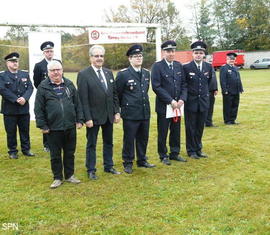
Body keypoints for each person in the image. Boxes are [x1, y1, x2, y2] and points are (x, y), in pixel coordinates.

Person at [34, 60, 84, 189]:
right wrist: (43, 125)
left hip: (69, 126)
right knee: (55, 155)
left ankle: (70, 175)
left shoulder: (69, 84)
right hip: (53, 128)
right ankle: (57, 178)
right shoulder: (42, 87)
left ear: (62, 70)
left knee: (69, 152)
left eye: (58, 69)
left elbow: (77, 103)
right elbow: (38, 109)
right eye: (52, 70)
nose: (56, 72)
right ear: (48, 72)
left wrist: (79, 120)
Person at [77, 45, 121, 180]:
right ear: (90, 58)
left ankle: (109, 166)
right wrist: (87, 118)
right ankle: (91, 169)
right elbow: (82, 99)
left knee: (109, 142)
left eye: (101, 56)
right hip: (93, 117)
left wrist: (116, 112)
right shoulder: (83, 74)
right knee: (92, 144)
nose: (99, 58)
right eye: (96, 56)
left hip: (108, 115)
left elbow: (114, 95)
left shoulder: (108, 72)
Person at [116, 44, 156, 174]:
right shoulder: (123, 74)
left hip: (144, 111)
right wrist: (121, 109)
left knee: (143, 137)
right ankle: (128, 162)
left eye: (140, 56)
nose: (139, 58)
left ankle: (142, 159)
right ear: (130, 59)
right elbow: (118, 94)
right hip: (131, 113)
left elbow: (144, 91)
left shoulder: (146, 73)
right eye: (135, 56)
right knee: (129, 138)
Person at [151, 40, 187, 165]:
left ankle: (175, 153)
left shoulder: (178, 65)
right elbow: (156, 86)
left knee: (176, 130)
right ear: (163, 52)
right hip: (164, 106)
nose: (171, 53)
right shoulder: (157, 66)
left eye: (172, 51)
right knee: (163, 131)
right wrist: (170, 100)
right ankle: (163, 155)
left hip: (178, 105)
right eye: (168, 51)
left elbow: (184, 84)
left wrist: (182, 99)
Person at [0, 52, 34, 159]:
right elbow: (2, 89)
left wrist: (24, 98)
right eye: (12, 61)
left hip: (23, 108)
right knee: (11, 131)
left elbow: (30, 88)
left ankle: (26, 149)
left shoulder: (24, 74)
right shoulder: (2, 76)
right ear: (7, 63)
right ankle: (13, 151)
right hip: (10, 109)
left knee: (25, 130)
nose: (15, 63)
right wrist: (15, 99)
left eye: (16, 61)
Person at [183, 41, 213, 159]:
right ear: (192, 54)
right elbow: (184, 84)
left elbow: (208, 83)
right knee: (190, 127)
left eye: (200, 53)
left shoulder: (208, 67)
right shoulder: (186, 67)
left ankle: (198, 149)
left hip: (203, 102)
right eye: (196, 53)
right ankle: (191, 150)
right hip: (191, 102)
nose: (198, 55)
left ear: (204, 54)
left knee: (200, 126)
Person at [33, 41, 56, 152]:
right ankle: (46, 144)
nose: (49, 53)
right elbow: (36, 82)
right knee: (46, 119)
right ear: (44, 53)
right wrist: (44, 92)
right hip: (45, 96)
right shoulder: (39, 66)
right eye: (47, 51)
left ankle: (56, 142)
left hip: (57, 95)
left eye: (51, 51)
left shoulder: (58, 63)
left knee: (55, 118)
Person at [220, 52, 244, 125]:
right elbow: (222, 80)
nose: (231, 60)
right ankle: (227, 120)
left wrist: (241, 88)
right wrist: (225, 90)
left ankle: (233, 119)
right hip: (228, 91)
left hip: (236, 90)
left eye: (233, 59)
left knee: (235, 105)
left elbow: (238, 79)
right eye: (230, 59)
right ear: (227, 59)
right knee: (228, 106)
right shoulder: (224, 68)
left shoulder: (235, 67)